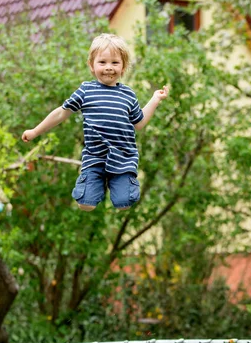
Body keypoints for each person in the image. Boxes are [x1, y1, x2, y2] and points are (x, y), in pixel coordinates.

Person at [22, 33, 169, 211]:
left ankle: (117, 184)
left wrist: (155, 99)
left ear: (123, 67)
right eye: (102, 62)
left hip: (123, 158)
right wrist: (35, 131)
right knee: (85, 205)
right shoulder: (86, 90)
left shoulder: (128, 94)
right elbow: (62, 113)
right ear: (92, 66)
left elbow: (139, 123)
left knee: (123, 204)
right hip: (95, 158)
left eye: (115, 63)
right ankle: (96, 184)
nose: (109, 67)